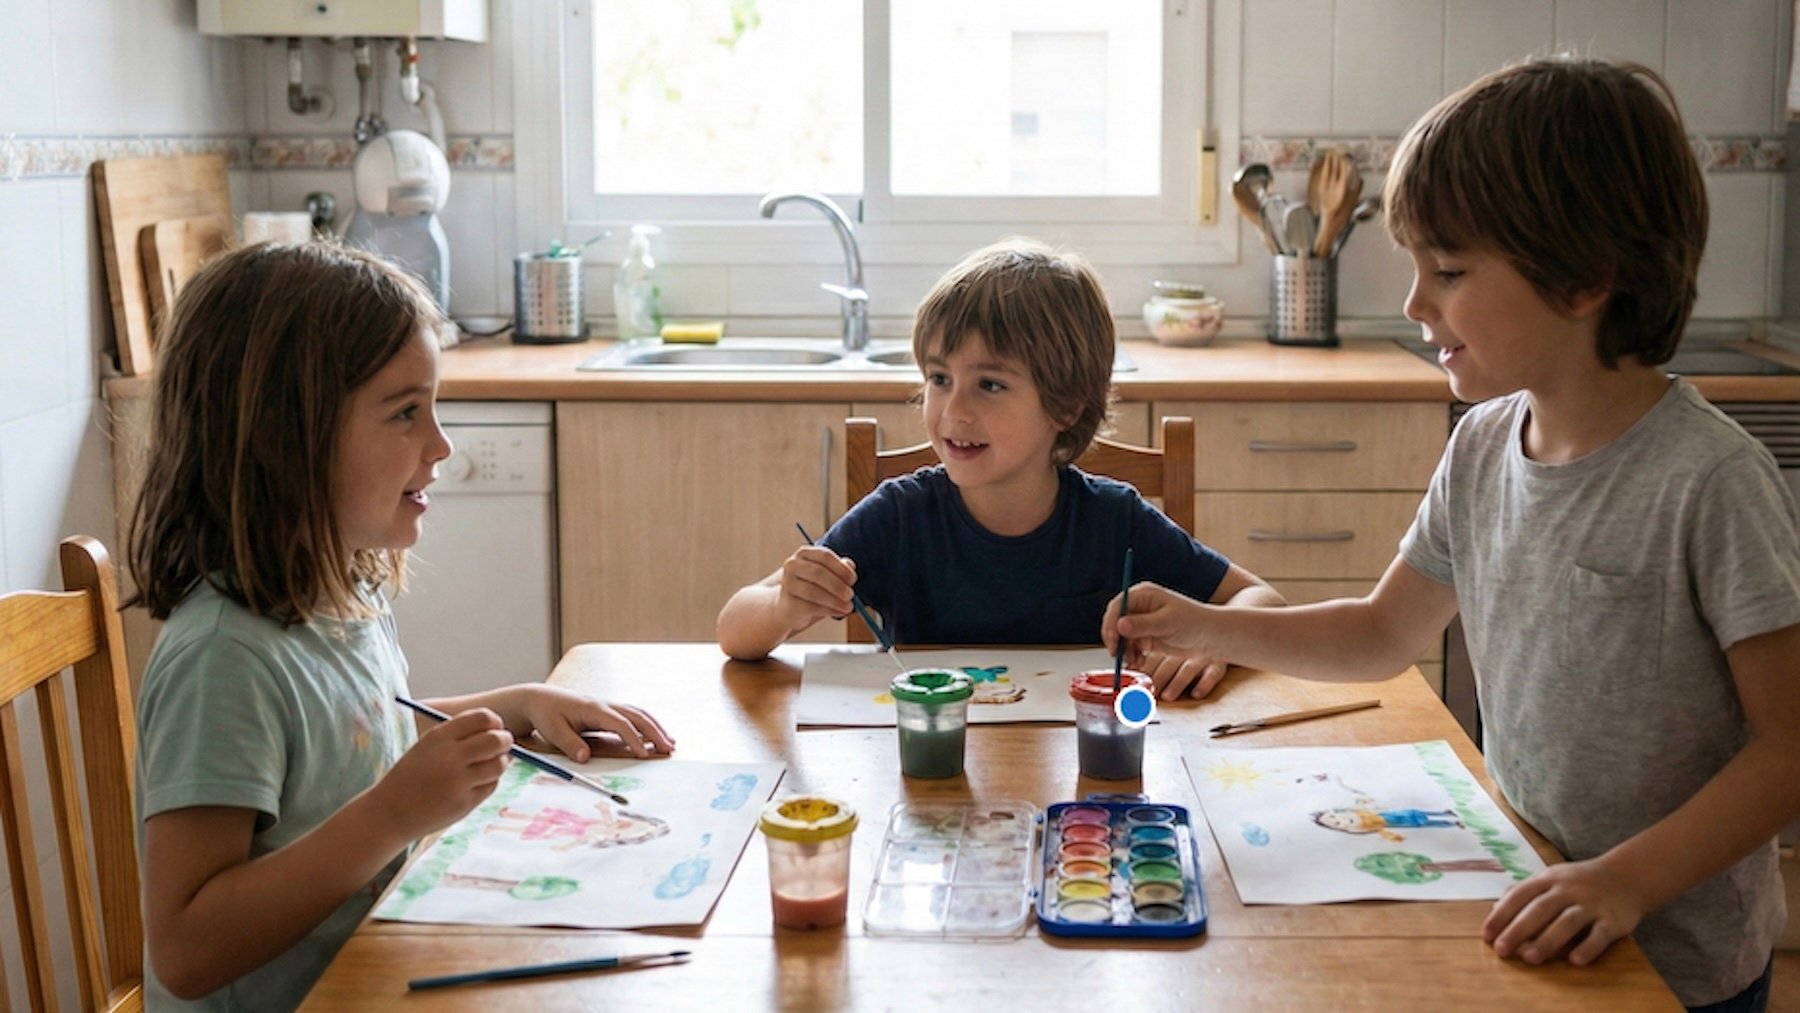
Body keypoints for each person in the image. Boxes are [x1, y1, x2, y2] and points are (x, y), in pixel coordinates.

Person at [1105, 58, 1800, 1011]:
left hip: (1674, 959)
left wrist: (1625, 880)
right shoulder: (1482, 444)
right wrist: (1204, 624)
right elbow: (1381, 634)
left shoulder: (1708, 480)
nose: (1416, 304)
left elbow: (1790, 749)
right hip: (1525, 902)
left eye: (1451, 271)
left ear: (1585, 276)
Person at [127, 242, 676, 1010]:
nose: (441, 443)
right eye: (406, 412)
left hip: (370, 977)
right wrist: (394, 814)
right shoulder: (223, 658)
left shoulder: (337, 591)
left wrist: (512, 708)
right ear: (291, 435)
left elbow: (352, 748)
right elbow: (185, 948)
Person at [717, 237, 1283, 698]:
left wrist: (1219, 641)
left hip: (1081, 781)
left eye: (990, 385)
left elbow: (1263, 601)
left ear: (1065, 406)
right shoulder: (900, 516)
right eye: (940, 379)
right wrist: (785, 606)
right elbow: (735, 629)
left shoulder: (1114, 520)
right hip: (932, 775)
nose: (953, 410)